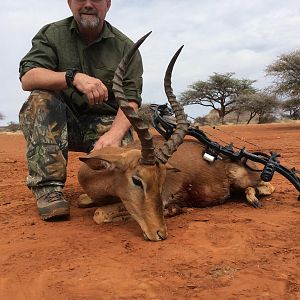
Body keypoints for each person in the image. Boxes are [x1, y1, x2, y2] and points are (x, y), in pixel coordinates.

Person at [18, 0, 143, 221]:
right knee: (39, 99)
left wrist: (114, 135)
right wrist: (72, 77)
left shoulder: (126, 47)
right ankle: (49, 189)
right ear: (69, 3)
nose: (87, 4)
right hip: (61, 121)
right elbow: (28, 78)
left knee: (127, 162)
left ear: (107, 4)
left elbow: (131, 100)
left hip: (104, 125)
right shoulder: (51, 34)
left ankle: (104, 192)